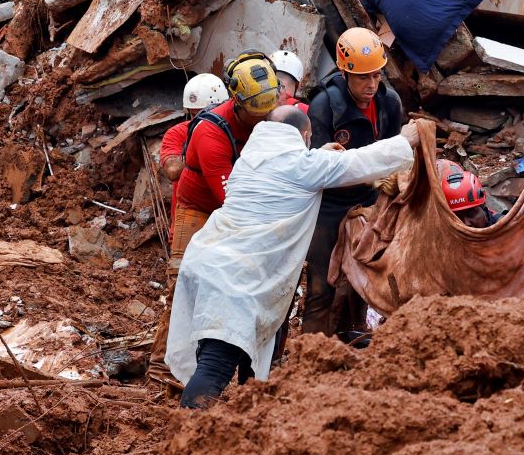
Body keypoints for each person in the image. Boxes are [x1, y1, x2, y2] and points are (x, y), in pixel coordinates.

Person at [167, 108, 430, 408]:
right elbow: (358, 162)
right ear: (304, 136)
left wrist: (317, 154)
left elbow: (293, 166)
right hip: (237, 279)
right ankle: (189, 436)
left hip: (211, 262)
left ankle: (239, 427)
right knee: (215, 367)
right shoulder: (304, 166)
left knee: (232, 356)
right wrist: (404, 140)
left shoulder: (250, 160)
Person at [148, 58, 282, 385]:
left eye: (271, 109)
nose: (266, 118)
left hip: (243, 205)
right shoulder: (210, 132)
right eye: (259, 112)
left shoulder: (269, 109)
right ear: (237, 103)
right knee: (184, 278)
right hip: (202, 206)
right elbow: (228, 197)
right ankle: (163, 366)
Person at [303, 27, 404, 337]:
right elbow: (319, 170)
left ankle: (355, 336)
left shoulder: (389, 104)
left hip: (370, 201)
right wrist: (373, 179)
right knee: (322, 284)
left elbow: (394, 151)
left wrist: (392, 178)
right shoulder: (324, 107)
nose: (372, 84)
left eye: (376, 75)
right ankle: (314, 347)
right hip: (328, 206)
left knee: (366, 278)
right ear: (345, 73)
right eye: (363, 78)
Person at [159, 73, 231, 184]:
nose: (199, 121)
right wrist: (201, 151)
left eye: (206, 115)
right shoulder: (177, 132)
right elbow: (172, 171)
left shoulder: (233, 131)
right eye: (194, 115)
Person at [439, 159, 498, 227]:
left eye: (471, 214)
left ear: (483, 206)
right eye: (457, 218)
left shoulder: (502, 228)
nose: (466, 223)